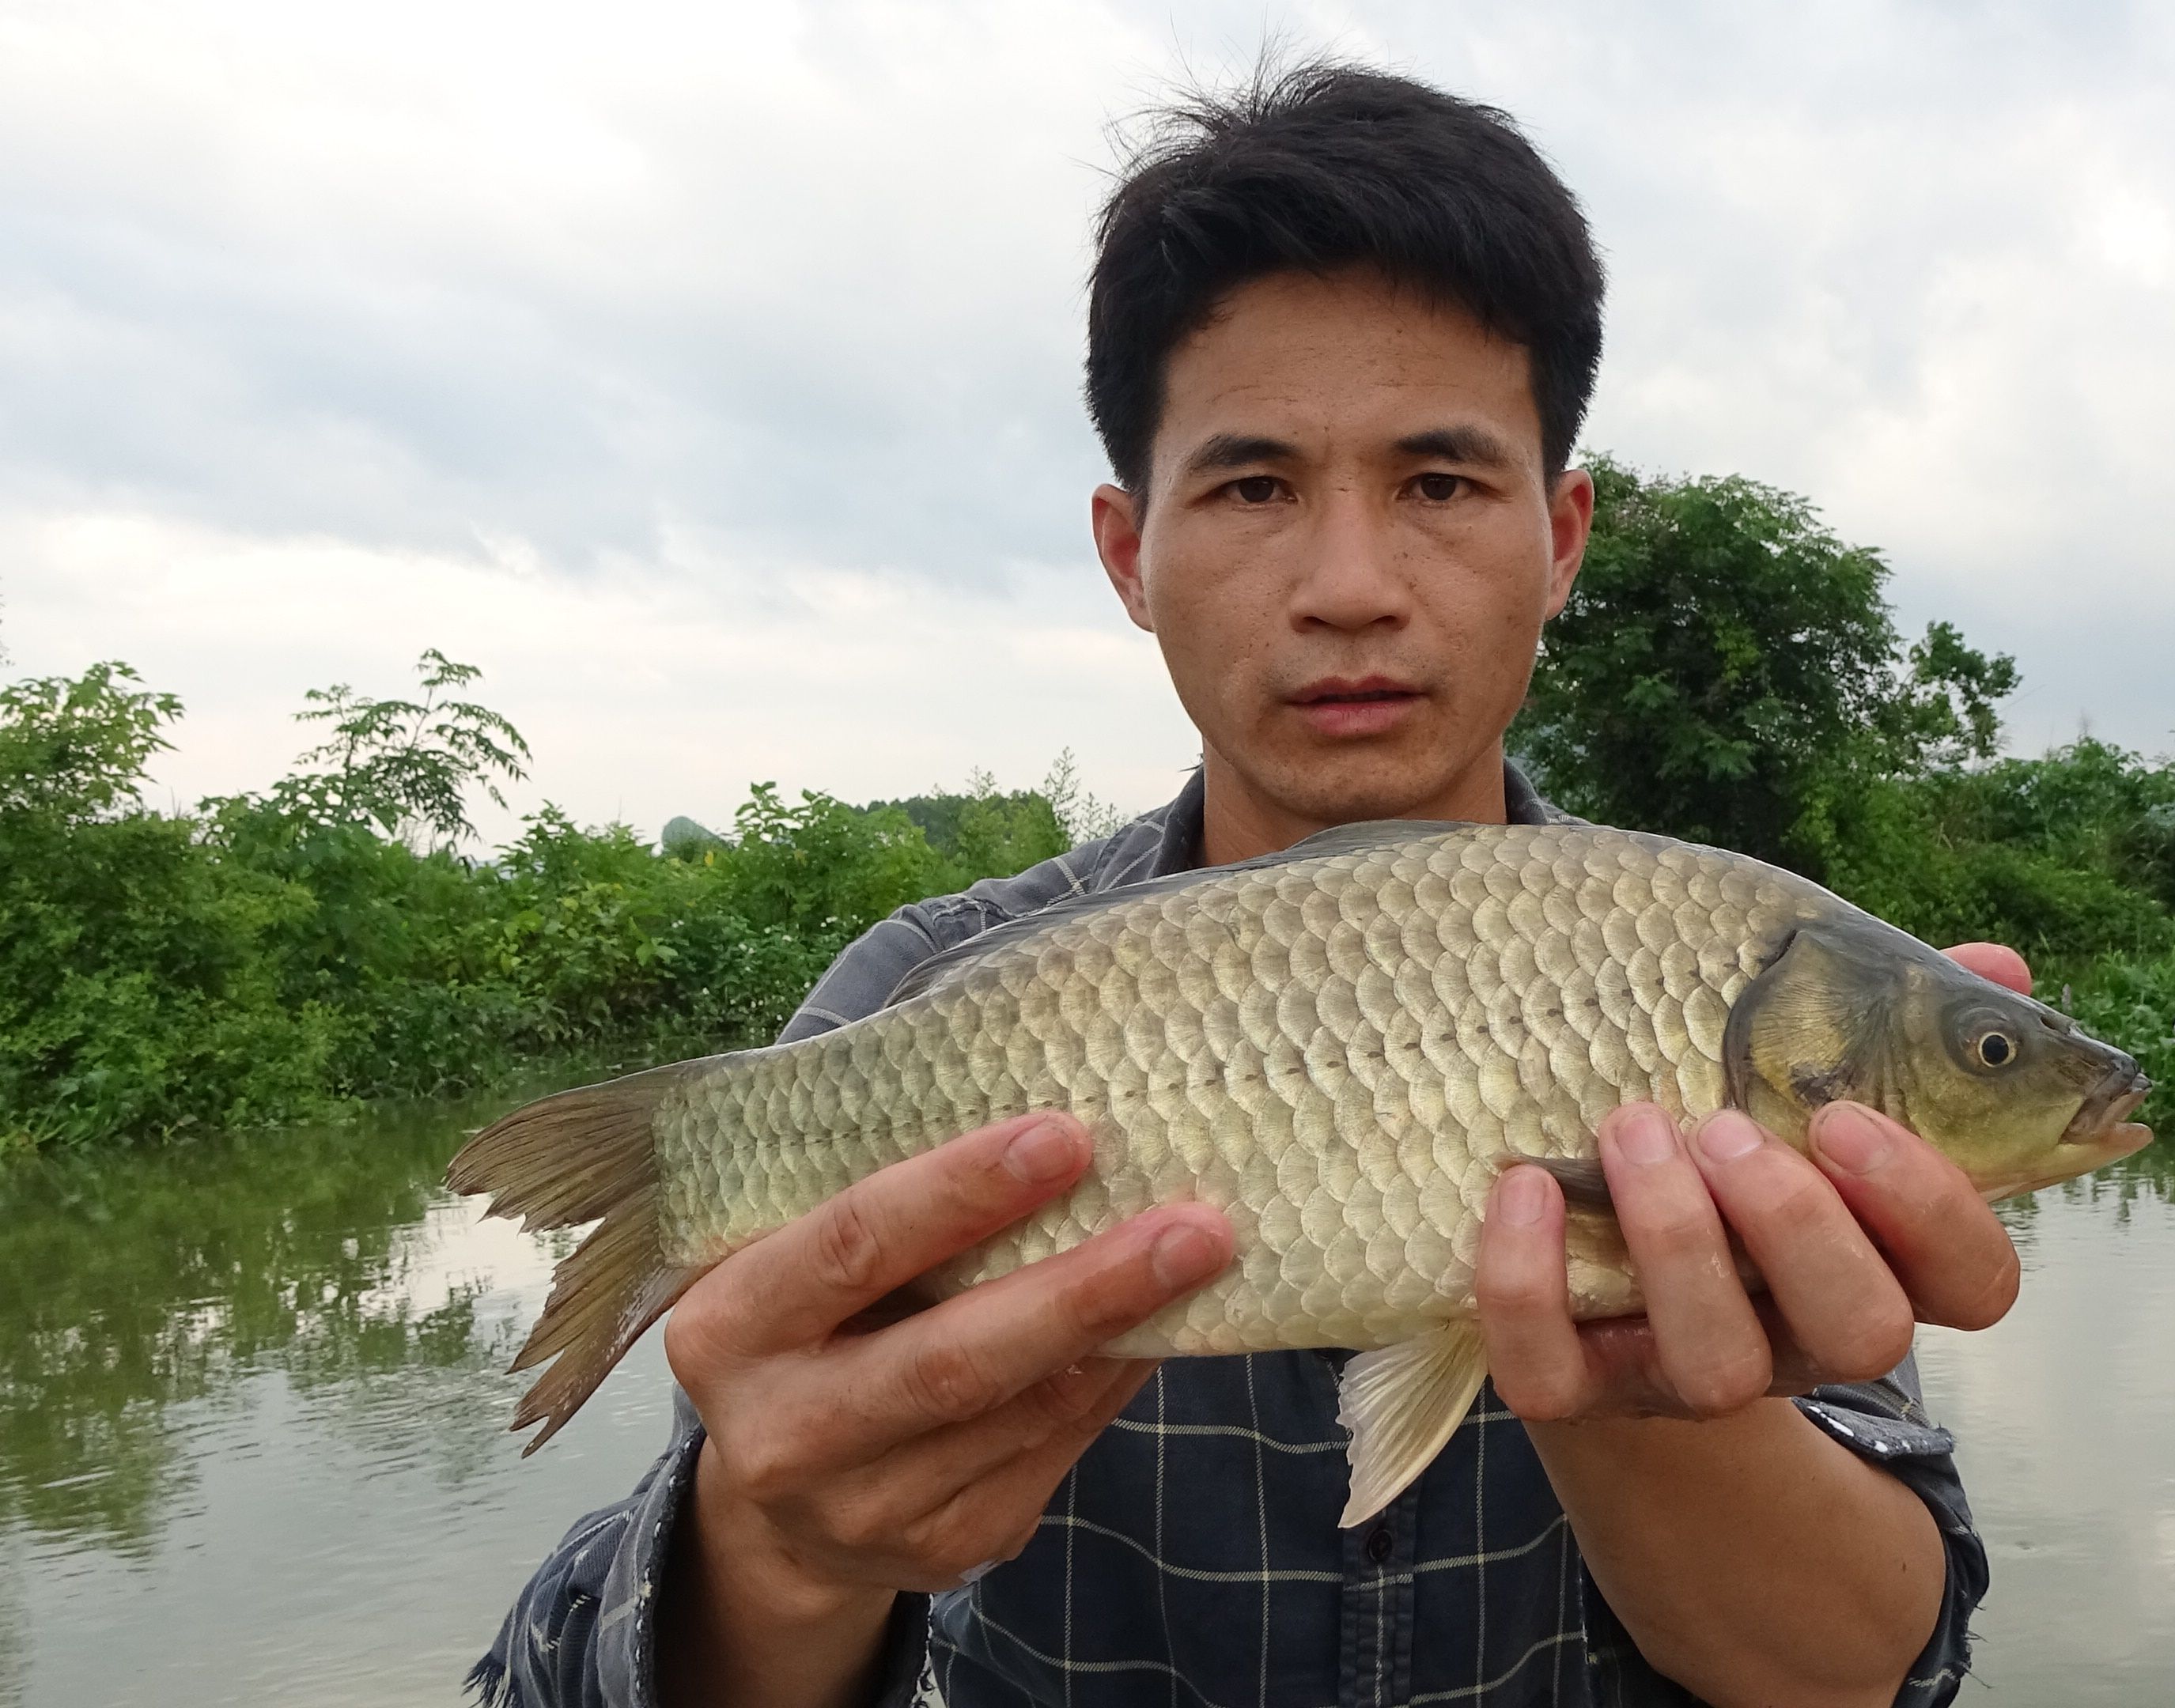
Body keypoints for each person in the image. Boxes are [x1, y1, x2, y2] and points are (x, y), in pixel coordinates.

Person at [473, 62, 2027, 1708]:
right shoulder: (913, 1009)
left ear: (1561, 536)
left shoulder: (1697, 967)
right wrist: (777, 1556)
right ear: (1126, 550)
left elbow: (1870, 1678)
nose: (1351, 587)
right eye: (1253, 486)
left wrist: (1639, 1395)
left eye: (1439, 484)